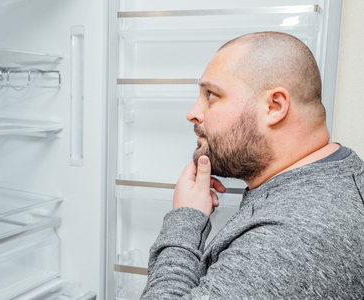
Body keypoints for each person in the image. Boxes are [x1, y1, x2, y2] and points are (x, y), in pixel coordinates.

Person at [140, 31, 364, 299]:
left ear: (274, 106)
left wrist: (187, 217)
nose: (193, 113)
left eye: (211, 94)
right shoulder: (333, 179)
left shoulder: (291, 239)